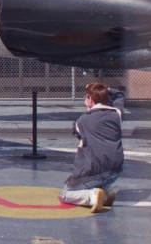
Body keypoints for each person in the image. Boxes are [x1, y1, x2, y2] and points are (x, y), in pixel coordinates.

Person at [59, 82, 125, 213]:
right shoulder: (117, 114)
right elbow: (119, 95)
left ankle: (92, 196)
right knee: (101, 176)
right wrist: (106, 88)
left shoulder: (82, 121)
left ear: (90, 99)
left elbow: (81, 137)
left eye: (86, 97)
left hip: (93, 171)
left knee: (65, 194)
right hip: (115, 171)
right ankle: (106, 190)